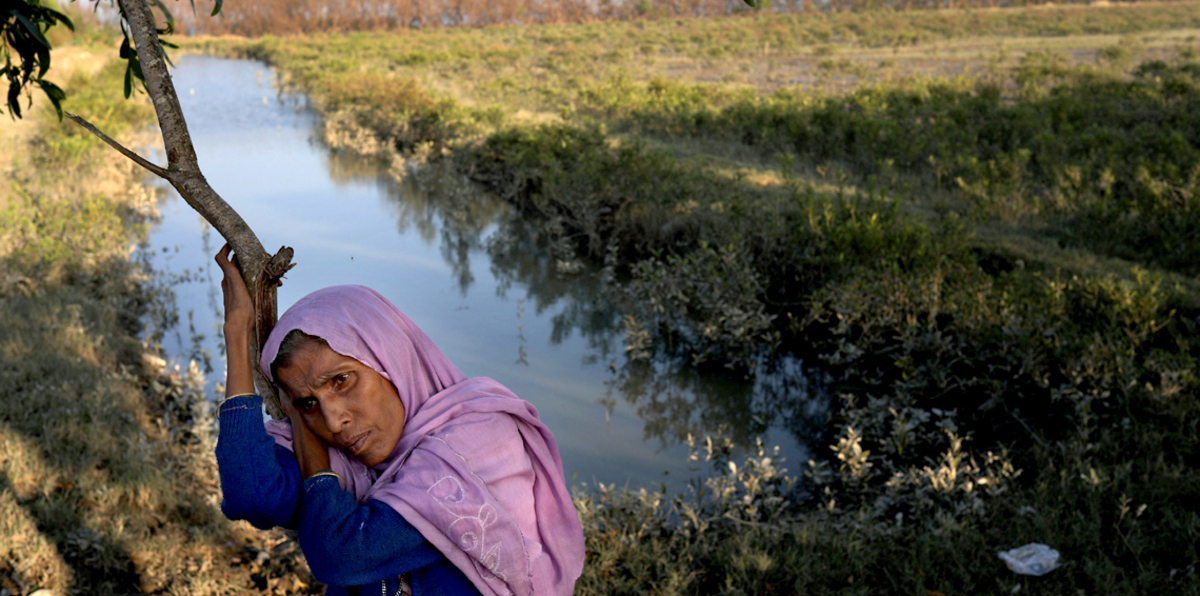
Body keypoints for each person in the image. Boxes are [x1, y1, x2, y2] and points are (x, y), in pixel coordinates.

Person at [213, 244, 585, 596]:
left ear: (389, 360)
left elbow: (342, 554)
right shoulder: (332, 445)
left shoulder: (481, 440)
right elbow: (253, 496)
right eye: (308, 401)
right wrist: (237, 336)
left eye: (341, 380)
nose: (334, 419)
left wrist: (310, 449)